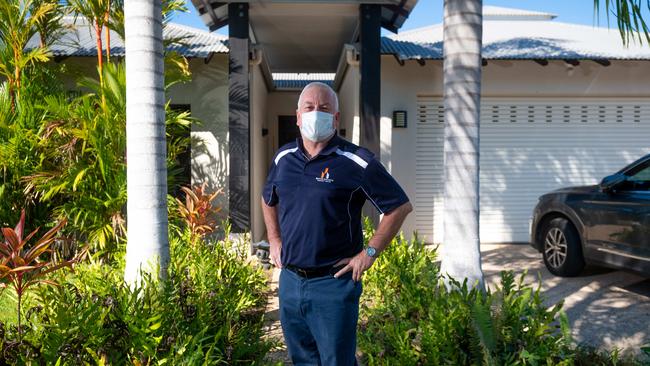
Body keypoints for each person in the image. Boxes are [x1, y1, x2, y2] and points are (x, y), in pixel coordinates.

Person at [261, 82, 412, 365]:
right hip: (291, 282)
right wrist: (274, 239)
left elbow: (399, 206)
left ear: (336, 118)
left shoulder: (357, 161)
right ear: (297, 116)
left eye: (324, 108)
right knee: (302, 360)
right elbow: (267, 197)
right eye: (309, 108)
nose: (315, 113)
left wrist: (368, 254)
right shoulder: (283, 158)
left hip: (333, 284)